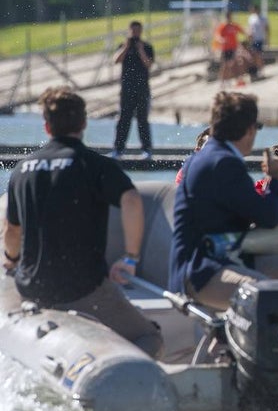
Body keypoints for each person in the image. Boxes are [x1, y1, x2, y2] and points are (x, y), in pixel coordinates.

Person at [4, 87, 162, 358]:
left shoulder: (23, 170)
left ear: (47, 126)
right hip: (83, 289)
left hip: (33, 288)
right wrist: (131, 258)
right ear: (84, 123)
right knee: (150, 337)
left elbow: (12, 231)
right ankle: (125, 381)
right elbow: (132, 201)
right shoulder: (94, 165)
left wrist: (11, 259)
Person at [169, 91, 278, 311]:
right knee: (263, 292)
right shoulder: (223, 163)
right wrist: (273, 178)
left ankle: (229, 339)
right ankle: (245, 342)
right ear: (249, 130)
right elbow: (269, 217)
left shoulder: (212, 157)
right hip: (201, 271)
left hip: (225, 258)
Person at [110, 20, 155, 160]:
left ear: (141, 31)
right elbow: (116, 60)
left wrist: (140, 49)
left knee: (143, 120)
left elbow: (149, 64)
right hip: (126, 89)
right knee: (124, 119)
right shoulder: (123, 46)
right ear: (129, 31)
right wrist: (126, 47)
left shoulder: (147, 47)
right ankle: (118, 149)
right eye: (133, 31)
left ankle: (146, 149)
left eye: (137, 31)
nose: (135, 33)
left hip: (142, 89)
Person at [212, 10, 246, 85]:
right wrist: (221, 40)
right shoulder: (223, 26)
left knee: (234, 63)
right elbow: (217, 35)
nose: (229, 18)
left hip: (233, 48)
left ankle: (233, 79)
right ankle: (222, 81)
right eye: (228, 16)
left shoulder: (233, 25)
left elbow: (242, 31)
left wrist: (248, 33)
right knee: (225, 65)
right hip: (226, 48)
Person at [245, 3, 269, 81]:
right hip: (253, 39)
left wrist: (267, 39)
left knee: (258, 55)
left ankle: (261, 70)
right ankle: (255, 71)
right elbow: (250, 28)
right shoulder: (251, 18)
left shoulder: (263, 18)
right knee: (253, 56)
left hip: (260, 39)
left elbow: (266, 29)